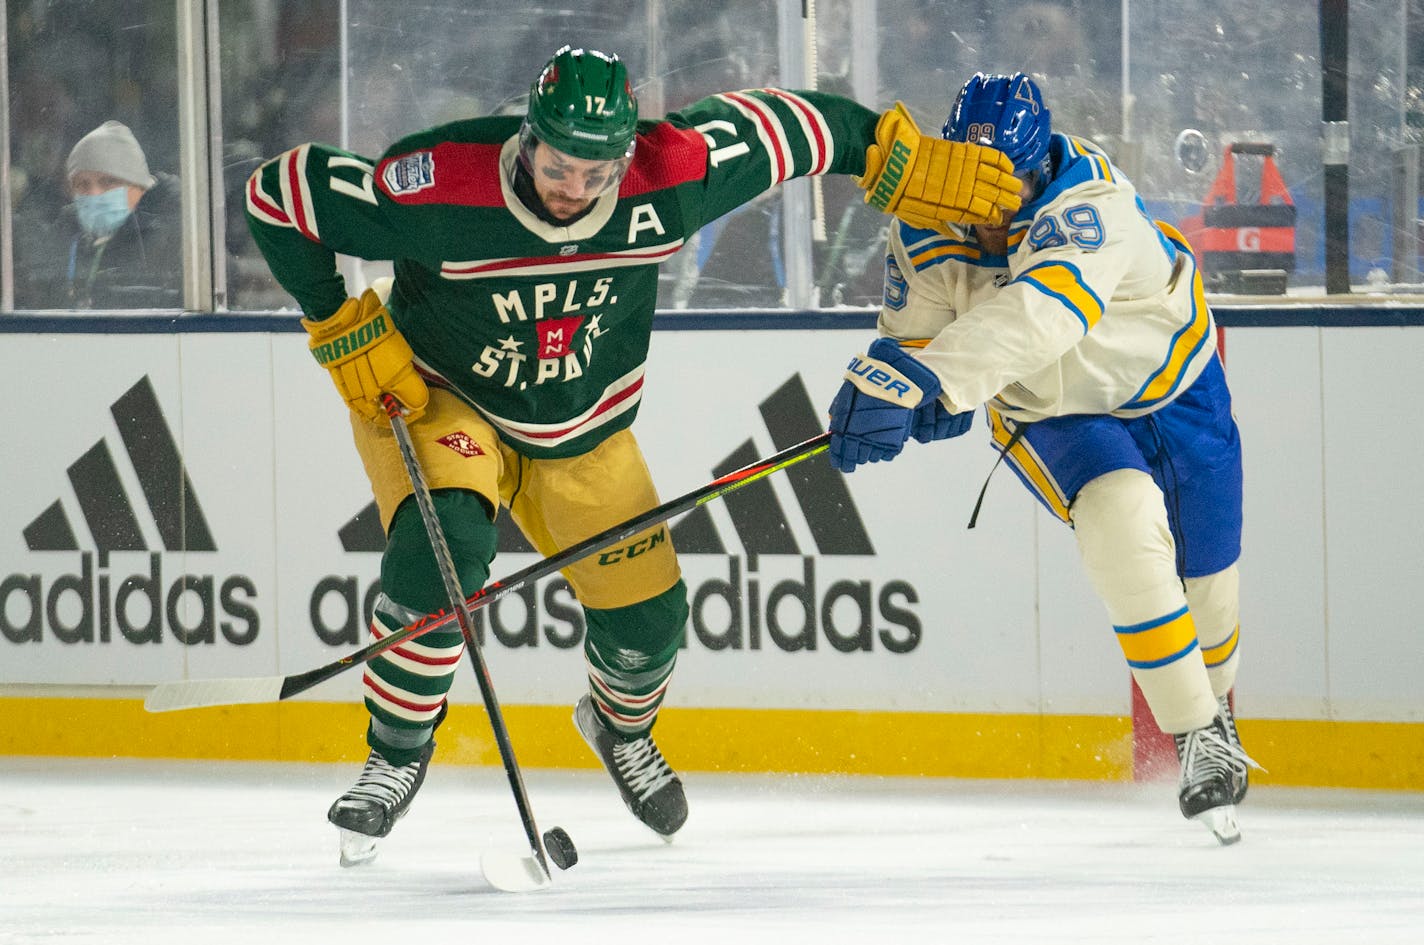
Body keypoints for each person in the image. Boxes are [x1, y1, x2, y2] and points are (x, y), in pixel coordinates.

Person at [244, 45, 1021, 865]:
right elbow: (276, 194)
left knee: (651, 619)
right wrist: (336, 320)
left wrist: (888, 153)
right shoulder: (438, 184)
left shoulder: (669, 171)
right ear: (527, 138)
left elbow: (793, 127)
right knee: (445, 554)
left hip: (584, 428)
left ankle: (617, 727)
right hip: (447, 404)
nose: (575, 189)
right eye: (557, 165)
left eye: (598, 171)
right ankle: (394, 757)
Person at [825, 72, 1255, 844]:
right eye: (976, 187)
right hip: (1053, 415)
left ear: (1039, 163)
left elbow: (1044, 315)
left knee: (1211, 590)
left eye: (1011, 184)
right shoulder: (924, 227)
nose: (990, 214)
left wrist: (937, 381)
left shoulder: (1095, 203)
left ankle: (1213, 707)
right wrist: (897, 384)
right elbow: (914, 341)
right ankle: (1199, 735)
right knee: (1119, 521)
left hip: (1180, 389)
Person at [59, 120, 181, 308]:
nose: (94, 194)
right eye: (82, 185)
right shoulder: (63, 238)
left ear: (139, 186)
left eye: (108, 182)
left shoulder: (177, 238)